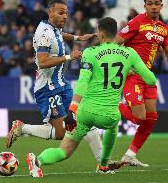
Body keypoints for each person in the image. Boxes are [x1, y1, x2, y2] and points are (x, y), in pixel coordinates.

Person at [25, 17, 157, 177]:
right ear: (115, 34)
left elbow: (83, 82)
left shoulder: (90, 52)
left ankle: (38, 161)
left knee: (64, 151)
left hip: (84, 112)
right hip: (109, 114)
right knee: (113, 124)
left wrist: (72, 109)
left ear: (100, 34)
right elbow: (150, 79)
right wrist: (131, 70)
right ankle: (103, 165)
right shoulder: (129, 53)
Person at [6, 0, 103, 168]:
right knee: (61, 133)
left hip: (61, 84)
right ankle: (22, 128)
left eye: (66, 13)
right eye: (61, 13)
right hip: (48, 89)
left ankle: (102, 164)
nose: (65, 16)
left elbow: (60, 35)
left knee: (84, 119)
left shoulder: (53, 28)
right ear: (50, 13)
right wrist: (68, 56)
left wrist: (79, 38)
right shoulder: (44, 33)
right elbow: (42, 61)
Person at [115, 0, 168, 167]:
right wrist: (125, 65)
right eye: (150, 3)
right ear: (145, 6)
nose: (154, 6)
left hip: (148, 76)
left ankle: (130, 155)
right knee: (140, 118)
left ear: (162, 6)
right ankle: (112, 105)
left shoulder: (164, 29)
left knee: (151, 118)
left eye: (157, 3)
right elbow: (115, 43)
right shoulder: (136, 22)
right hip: (133, 76)